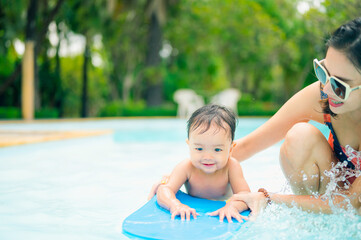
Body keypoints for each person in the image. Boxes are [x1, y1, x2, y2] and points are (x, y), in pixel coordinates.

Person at [150, 17, 361, 217]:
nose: (326, 88)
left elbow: (354, 203)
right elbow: (245, 146)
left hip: (355, 201)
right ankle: (318, 219)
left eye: (339, 85)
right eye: (323, 72)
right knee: (299, 137)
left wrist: (268, 198)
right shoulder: (320, 95)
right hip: (332, 189)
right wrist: (173, 181)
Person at [156, 104, 250, 222]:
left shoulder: (231, 167)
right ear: (189, 145)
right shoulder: (186, 167)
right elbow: (164, 190)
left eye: (217, 150)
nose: (207, 157)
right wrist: (175, 205)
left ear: (230, 149)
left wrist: (232, 207)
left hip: (223, 207)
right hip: (196, 211)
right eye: (199, 149)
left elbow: (245, 195)